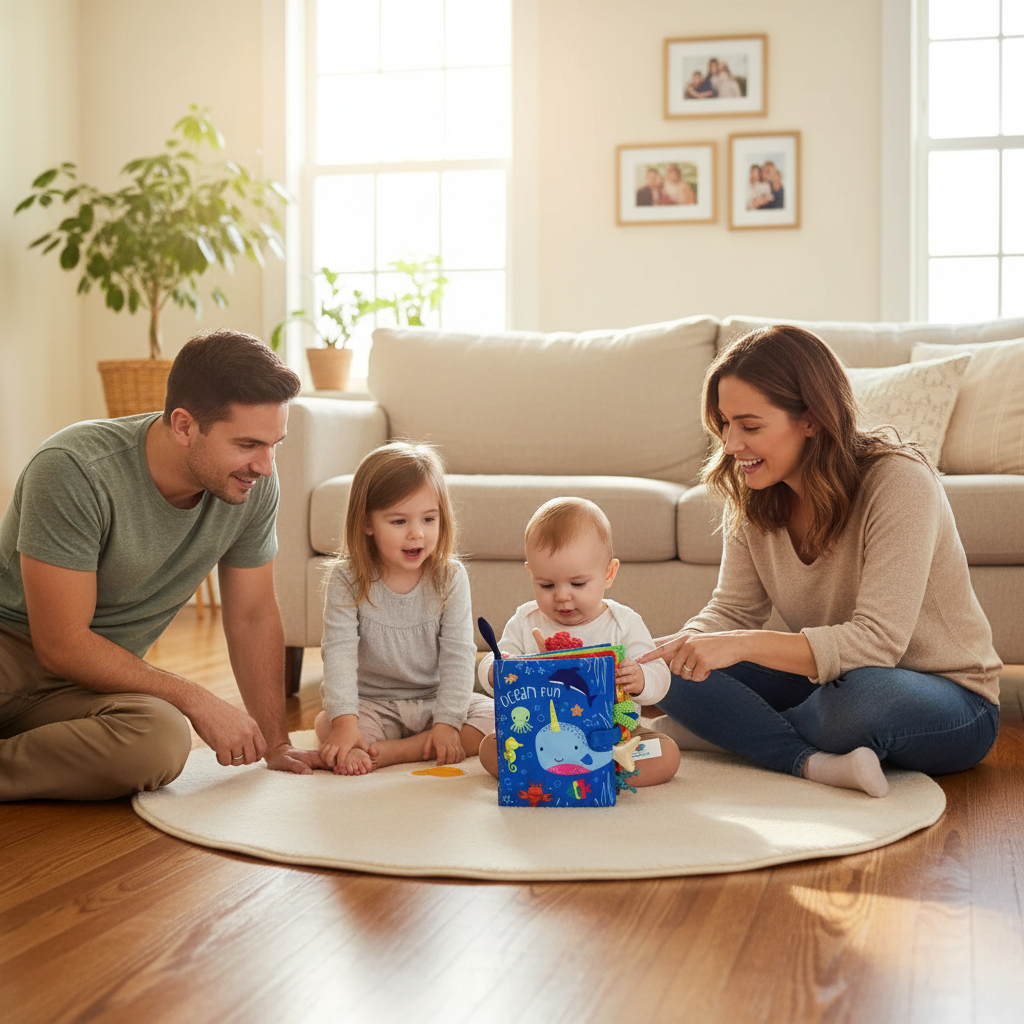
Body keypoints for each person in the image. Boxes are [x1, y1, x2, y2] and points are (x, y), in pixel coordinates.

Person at [637, 325, 1001, 798]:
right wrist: (664, 652)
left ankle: (732, 732)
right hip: (830, 680)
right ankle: (805, 758)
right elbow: (732, 610)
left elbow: (877, 645)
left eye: (750, 426)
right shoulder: (754, 492)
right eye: (724, 424)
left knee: (857, 704)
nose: (730, 445)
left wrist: (741, 646)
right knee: (678, 672)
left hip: (948, 699)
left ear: (811, 419)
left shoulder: (899, 480)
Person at [0, 328, 324, 802]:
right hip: (12, 658)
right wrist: (193, 696)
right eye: (248, 444)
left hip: (90, 686)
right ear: (184, 426)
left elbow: (253, 615)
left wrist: (276, 744)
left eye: (274, 444)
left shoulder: (250, 488)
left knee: (161, 741)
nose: (265, 466)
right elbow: (61, 644)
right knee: (175, 714)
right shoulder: (74, 467)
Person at [315, 441, 494, 775]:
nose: (417, 534)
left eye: (429, 519)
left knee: (498, 717)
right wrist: (345, 723)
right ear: (367, 523)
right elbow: (338, 653)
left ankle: (396, 752)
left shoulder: (450, 576)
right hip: (371, 703)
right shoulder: (346, 578)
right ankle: (408, 744)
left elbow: (458, 654)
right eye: (399, 521)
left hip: (433, 700)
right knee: (330, 723)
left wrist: (448, 722)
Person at [477, 497, 681, 787]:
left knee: (666, 754)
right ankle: (581, 775)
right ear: (531, 573)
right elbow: (495, 657)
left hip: (612, 735)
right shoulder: (525, 620)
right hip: (541, 735)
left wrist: (640, 678)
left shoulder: (623, 622)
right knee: (491, 748)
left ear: (608, 574)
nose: (562, 596)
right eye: (546, 585)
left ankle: (598, 774)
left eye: (577, 584)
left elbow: (660, 676)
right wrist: (494, 670)